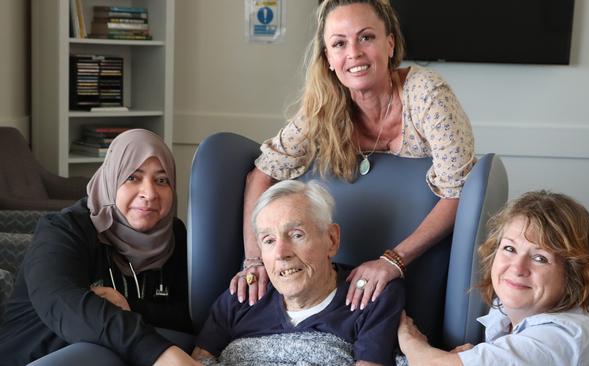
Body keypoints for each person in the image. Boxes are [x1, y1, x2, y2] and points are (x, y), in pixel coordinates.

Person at [233, 0, 475, 311]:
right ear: (329, 59)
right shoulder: (323, 107)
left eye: (366, 37)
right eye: (339, 43)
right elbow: (262, 172)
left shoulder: (427, 95)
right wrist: (254, 260)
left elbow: (461, 189)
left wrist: (393, 261)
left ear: (390, 44)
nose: (354, 53)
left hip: (427, 256)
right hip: (339, 261)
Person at [0, 129, 198, 365]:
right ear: (111, 179)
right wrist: (157, 351)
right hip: (36, 354)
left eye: (161, 180)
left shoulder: (174, 235)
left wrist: (128, 305)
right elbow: (63, 304)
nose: (149, 193)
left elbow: (190, 314)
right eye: (132, 177)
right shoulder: (64, 230)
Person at [397, 191, 589, 366]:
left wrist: (408, 339)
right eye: (509, 248)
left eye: (540, 258)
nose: (517, 268)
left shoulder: (562, 335)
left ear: (574, 273)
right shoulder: (511, 307)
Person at [193, 180, 404, 365]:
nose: (280, 253)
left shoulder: (371, 295)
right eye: (269, 240)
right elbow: (198, 361)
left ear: (331, 239)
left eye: (296, 235)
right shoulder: (241, 295)